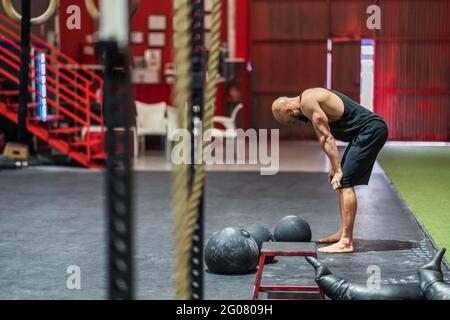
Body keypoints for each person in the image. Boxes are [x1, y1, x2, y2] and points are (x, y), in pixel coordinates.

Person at [272, 88, 388, 253]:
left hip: (371, 131)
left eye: (291, 121)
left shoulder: (307, 102)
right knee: (342, 181)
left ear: (290, 110)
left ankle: (346, 242)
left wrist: (338, 168)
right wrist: (336, 168)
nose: (294, 123)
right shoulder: (308, 99)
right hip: (363, 133)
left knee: (346, 181)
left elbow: (326, 137)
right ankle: (343, 232)